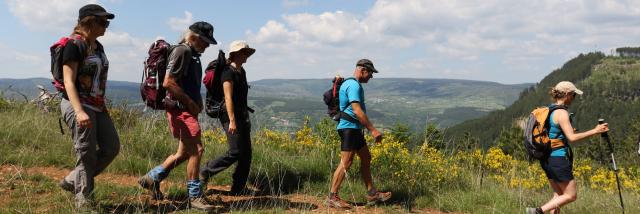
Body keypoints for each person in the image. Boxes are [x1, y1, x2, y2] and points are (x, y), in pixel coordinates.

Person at [138, 21, 217, 211]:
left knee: (183, 153)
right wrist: (190, 103)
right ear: (193, 37)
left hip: (183, 110)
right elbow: (168, 82)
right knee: (197, 150)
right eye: (205, 41)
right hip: (181, 110)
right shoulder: (184, 51)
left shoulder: (191, 53)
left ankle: (151, 178)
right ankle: (195, 197)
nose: (207, 46)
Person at [57, 4, 120, 210]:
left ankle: (72, 180)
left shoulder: (97, 46)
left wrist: (101, 105)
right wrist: (79, 111)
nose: (106, 26)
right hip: (77, 104)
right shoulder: (74, 45)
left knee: (111, 147)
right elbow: (68, 81)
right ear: (89, 21)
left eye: (107, 22)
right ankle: (83, 201)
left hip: (96, 106)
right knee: (86, 153)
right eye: (102, 22)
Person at [526, 81, 609, 214]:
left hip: (546, 158)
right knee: (571, 195)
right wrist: (595, 131)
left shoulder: (549, 110)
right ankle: (536, 211)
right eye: (574, 95)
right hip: (557, 158)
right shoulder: (562, 113)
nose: (574, 98)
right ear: (567, 94)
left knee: (559, 196)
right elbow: (572, 138)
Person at [326, 59, 391, 209]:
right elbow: (357, 110)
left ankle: (372, 193)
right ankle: (332, 197)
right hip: (349, 129)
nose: (371, 77)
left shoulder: (352, 84)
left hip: (353, 129)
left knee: (366, 158)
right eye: (370, 73)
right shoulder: (353, 85)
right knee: (346, 162)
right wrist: (373, 130)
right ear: (362, 70)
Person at [200, 40, 255, 195]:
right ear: (236, 53)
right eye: (245, 52)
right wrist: (232, 120)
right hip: (229, 115)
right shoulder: (227, 72)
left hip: (242, 114)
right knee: (235, 151)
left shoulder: (241, 71)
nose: (247, 56)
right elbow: (228, 97)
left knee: (246, 154)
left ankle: (238, 188)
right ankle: (205, 171)